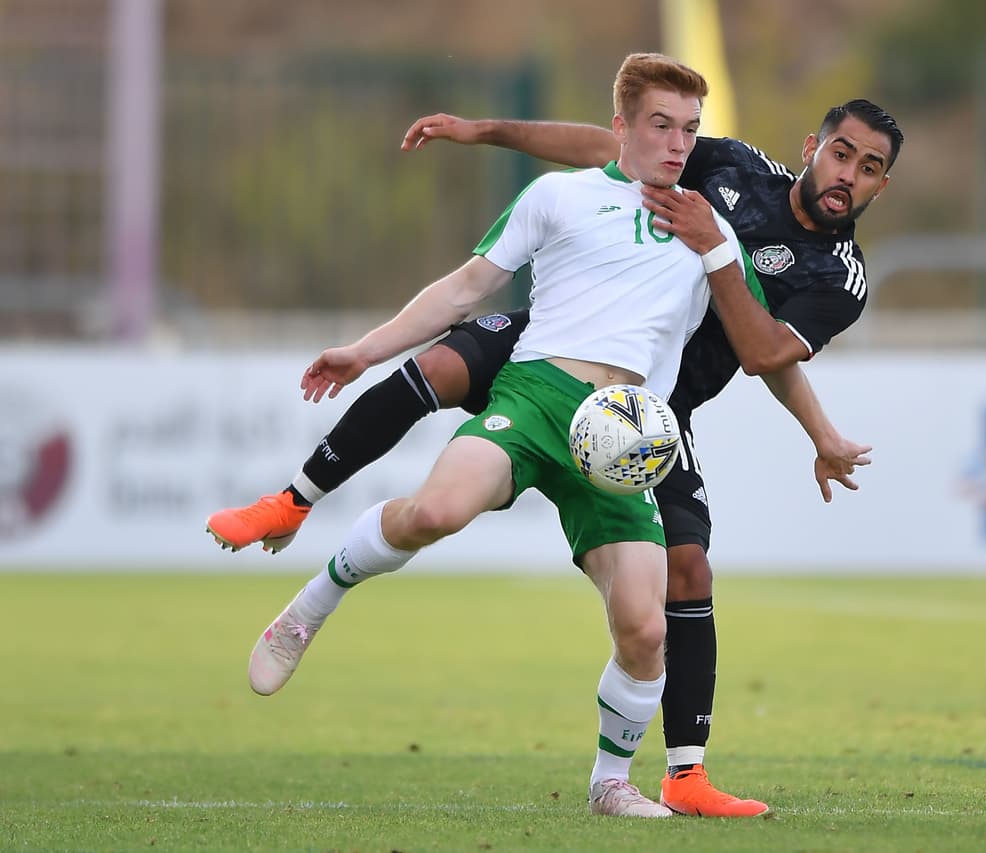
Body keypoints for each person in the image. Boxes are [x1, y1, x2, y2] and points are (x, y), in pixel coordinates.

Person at [211, 95, 901, 817]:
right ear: (813, 147)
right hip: (559, 341)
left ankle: (683, 773)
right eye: (841, 153)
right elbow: (606, 150)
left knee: (685, 573)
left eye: (868, 168)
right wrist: (485, 131)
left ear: (882, 185)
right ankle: (292, 502)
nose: (847, 175)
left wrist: (818, 429)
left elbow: (767, 353)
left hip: (645, 410)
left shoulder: (838, 276)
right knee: (439, 369)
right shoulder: (734, 167)